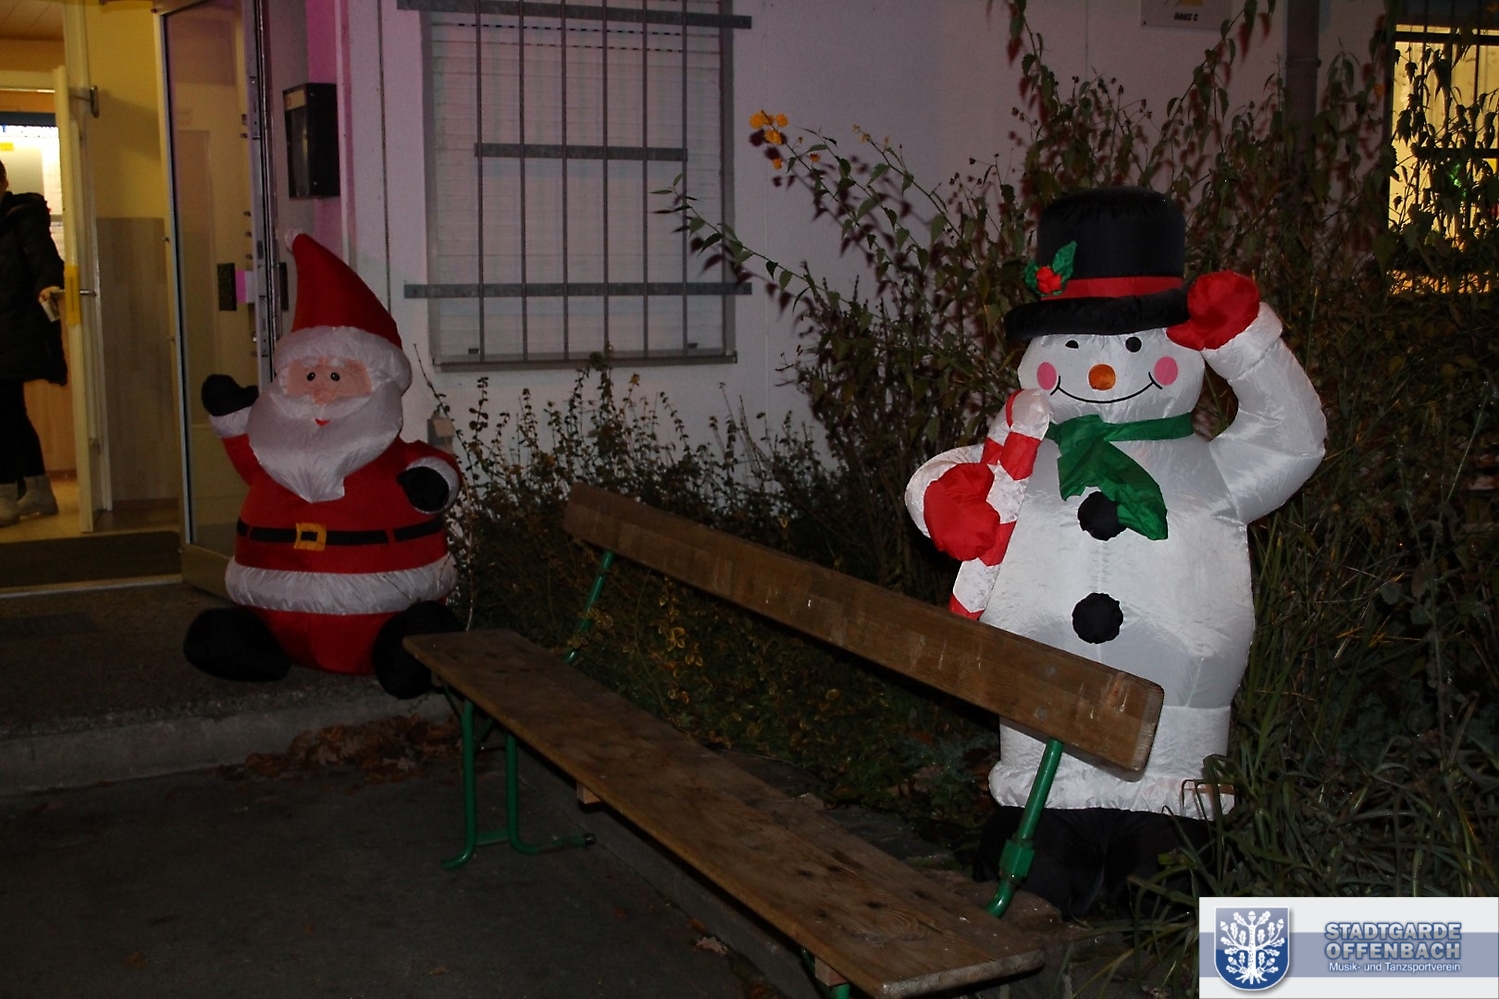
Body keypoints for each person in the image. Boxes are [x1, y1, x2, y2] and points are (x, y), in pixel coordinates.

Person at [182, 231, 462, 698]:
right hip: (276, 617)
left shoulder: (392, 455)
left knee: (414, 638)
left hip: (380, 621)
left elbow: (434, 465)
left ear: (376, 383)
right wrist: (233, 415)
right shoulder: (274, 447)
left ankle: (401, 648)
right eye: (308, 375)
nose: (320, 389)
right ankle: (262, 643)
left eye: (336, 375)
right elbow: (250, 459)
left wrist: (432, 481)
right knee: (218, 638)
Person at [0, 158, 65, 527]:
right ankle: (38, 488)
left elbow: (45, 260)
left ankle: (6, 496)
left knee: (5, 414)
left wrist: (48, 286)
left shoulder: (22, 216)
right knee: (11, 414)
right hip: (9, 330)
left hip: (14, 329)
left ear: (3, 182)